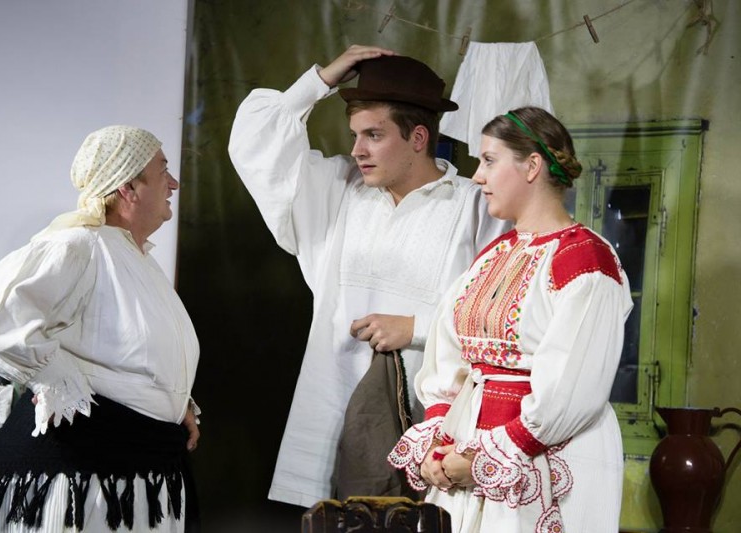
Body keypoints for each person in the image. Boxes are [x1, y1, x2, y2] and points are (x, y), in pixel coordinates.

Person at [228, 44, 511, 507]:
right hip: (333, 417)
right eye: (355, 135)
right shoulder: (338, 191)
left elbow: (505, 318)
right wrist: (322, 79)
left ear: (418, 137)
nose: (357, 150)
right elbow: (254, 141)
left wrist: (417, 328)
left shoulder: (476, 206)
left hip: (436, 430)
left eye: (374, 135)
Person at [387, 106, 634, 532]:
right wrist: (440, 437)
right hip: (469, 445)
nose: (477, 176)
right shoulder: (494, 255)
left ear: (532, 166)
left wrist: (487, 457)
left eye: (489, 160)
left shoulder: (583, 259)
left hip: (541, 453)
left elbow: (572, 385)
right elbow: (449, 353)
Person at [0, 125, 201, 532]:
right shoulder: (79, 244)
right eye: (163, 171)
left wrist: (176, 405)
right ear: (128, 188)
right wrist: (57, 380)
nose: (174, 183)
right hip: (80, 474)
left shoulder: (134, 256)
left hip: (130, 464)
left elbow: (130, 352)